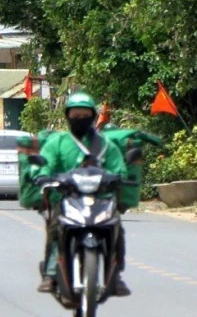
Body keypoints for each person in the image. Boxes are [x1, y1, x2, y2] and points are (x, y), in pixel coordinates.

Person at [19, 89, 137, 295]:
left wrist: (118, 177)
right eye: (75, 115)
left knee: (116, 228)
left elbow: (119, 168)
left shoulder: (106, 145)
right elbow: (45, 164)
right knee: (55, 227)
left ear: (92, 116)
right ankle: (50, 274)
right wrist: (42, 174)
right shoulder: (58, 143)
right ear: (67, 117)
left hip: (100, 198)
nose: (80, 119)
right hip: (65, 198)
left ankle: (115, 275)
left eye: (84, 115)